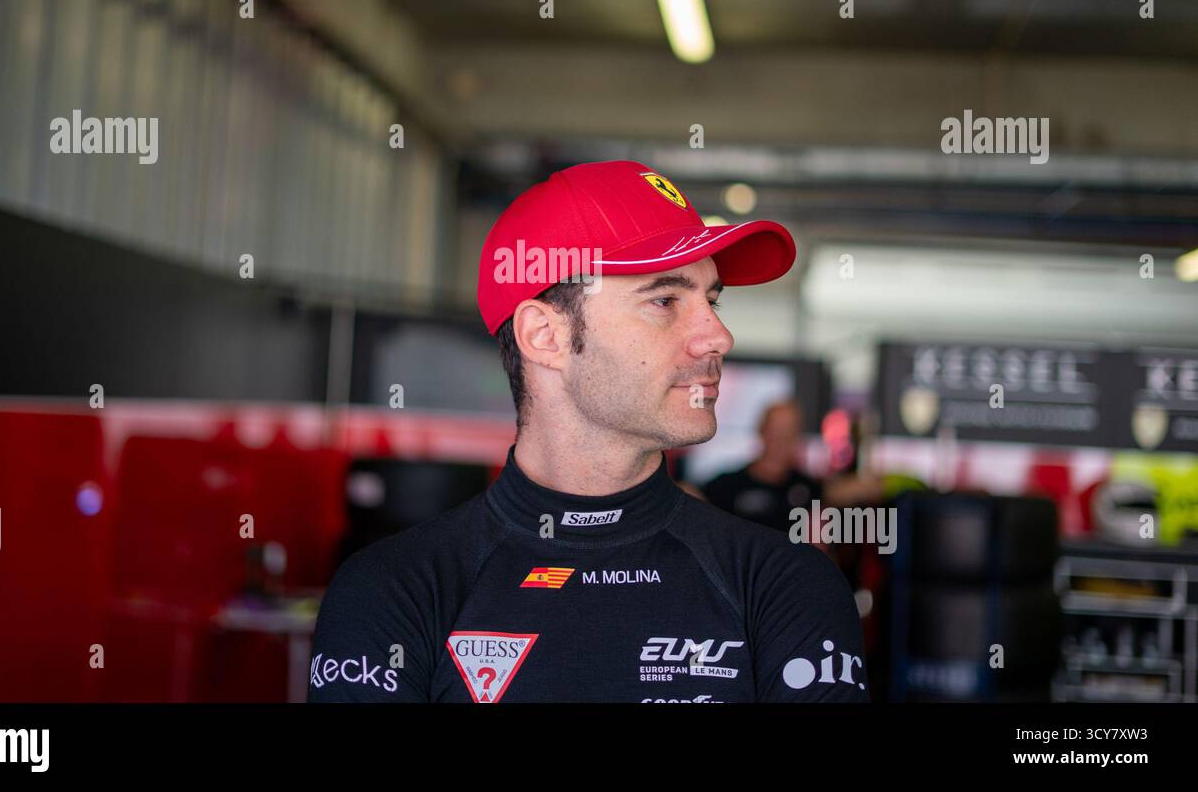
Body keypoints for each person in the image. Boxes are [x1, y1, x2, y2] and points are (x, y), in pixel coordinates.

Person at [308, 160, 869, 702]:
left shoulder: (784, 584)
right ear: (545, 336)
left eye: (712, 300)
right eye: (665, 300)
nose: (717, 335)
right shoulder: (392, 590)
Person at [702, 399, 823, 535]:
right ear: (762, 430)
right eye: (776, 430)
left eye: (790, 431)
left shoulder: (811, 490)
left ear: (798, 436)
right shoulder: (724, 487)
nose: (781, 439)